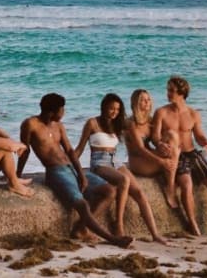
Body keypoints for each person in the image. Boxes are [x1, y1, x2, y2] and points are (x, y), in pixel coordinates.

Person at [19, 93, 133, 248]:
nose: (64, 113)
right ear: (52, 111)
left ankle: (80, 228)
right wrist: (16, 176)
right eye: (62, 110)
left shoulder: (59, 126)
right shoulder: (30, 124)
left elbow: (70, 151)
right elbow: (24, 151)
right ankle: (112, 239)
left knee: (110, 191)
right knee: (82, 204)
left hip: (71, 168)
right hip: (55, 172)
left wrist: (81, 174)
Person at [74, 93, 168, 244]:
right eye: (111, 108)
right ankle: (119, 226)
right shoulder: (92, 123)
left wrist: (160, 141)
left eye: (117, 110)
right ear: (104, 107)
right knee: (123, 180)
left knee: (139, 192)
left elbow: (139, 126)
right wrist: (70, 166)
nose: (114, 112)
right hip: (99, 163)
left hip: (115, 161)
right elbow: (79, 149)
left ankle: (155, 234)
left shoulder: (118, 124)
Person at [152, 76, 207, 236]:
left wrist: (205, 142)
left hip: (192, 153)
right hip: (175, 155)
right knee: (186, 185)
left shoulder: (193, 114)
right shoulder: (161, 112)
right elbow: (155, 136)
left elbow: (198, 135)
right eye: (168, 89)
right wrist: (160, 144)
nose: (168, 93)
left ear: (182, 93)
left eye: (171, 90)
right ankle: (193, 225)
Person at [125, 89, 180, 209]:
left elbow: (157, 139)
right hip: (138, 162)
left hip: (150, 158)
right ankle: (170, 188)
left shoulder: (150, 121)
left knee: (172, 135)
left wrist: (161, 144)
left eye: (148, 99)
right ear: (136, 103)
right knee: (174, 152)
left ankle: (169, 182)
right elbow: (140, 149)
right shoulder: (131, 124)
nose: (147, 102)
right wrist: (162, 161)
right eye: (143, 100)